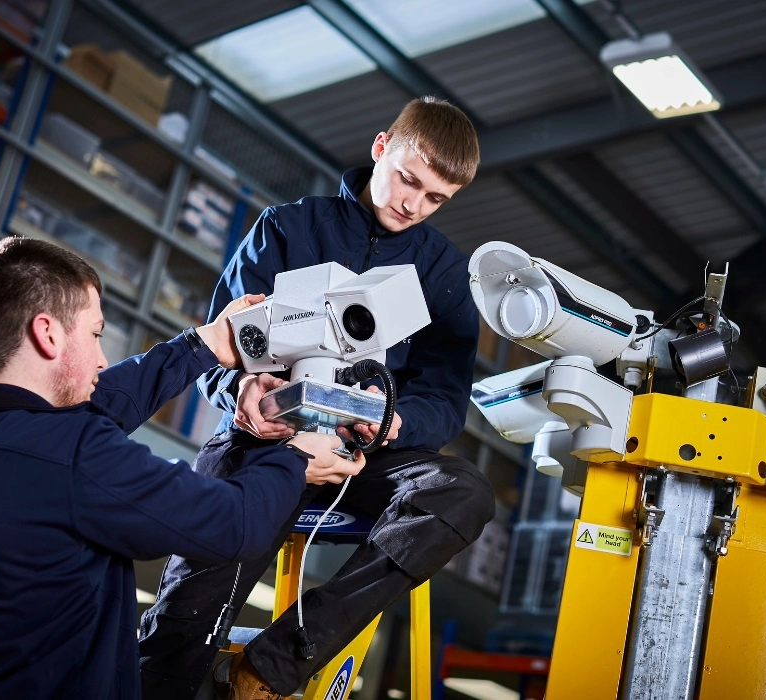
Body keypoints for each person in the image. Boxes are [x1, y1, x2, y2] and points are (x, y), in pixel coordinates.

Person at [0, 237, 363, 699]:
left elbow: (86, 411)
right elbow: (235, 523)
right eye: (94, 334)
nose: (102, 356)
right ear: (47, 333)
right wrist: (297, 458)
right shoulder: (71, 456)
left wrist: (205, 346)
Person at [138, 96, 497, 700]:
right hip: (266, 440)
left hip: (365, 455)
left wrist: (392, 421)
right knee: (181, 629)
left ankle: (277, 663)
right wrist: (244, 389)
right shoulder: (287, 228)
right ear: (381, 147)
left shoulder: (443, 277)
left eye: (435, 198)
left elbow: (443, 400)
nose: (413, 204)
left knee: (462, 494)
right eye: (408, 180)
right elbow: (214, 351)